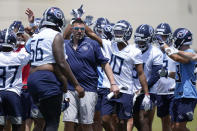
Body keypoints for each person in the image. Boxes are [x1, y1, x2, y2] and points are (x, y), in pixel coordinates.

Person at [27, 7, 84, 131]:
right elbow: (61, 63)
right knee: (53, 122)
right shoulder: (56, 35)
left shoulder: (36, 36)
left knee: (43, 121)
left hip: (32, 80)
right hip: (46, 79)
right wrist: (76, 85)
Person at [62, 18, 119, 131]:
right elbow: (64, 36)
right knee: (68, 121)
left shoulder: (92, 44)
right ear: (72, 29)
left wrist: (113, 83)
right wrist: (73, 19)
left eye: (82, 29)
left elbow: (105, 63)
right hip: (69, 89)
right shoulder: (65, 44)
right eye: (77, 29)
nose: (79, 31)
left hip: (88, 89)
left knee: (86, 124)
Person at [156, 27, 197, 131]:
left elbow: (176, 57)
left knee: (179, 127)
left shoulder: (190, 52)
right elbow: (179, 75)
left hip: (187, 95)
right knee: (173, 127)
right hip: (178, 94)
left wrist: (163, 44)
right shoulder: (181, 54)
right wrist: (167, 73)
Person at [132, 24, 163, 131]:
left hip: (149, 91)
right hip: (132, 89)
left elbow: (156, 74)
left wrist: (143, 89)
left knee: (144, 119)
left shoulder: (156, 52)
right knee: (134, 121)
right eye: (138, 40)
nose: (140, 43)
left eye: (143, 41)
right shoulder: (131, 49)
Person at [0, 29, 30, 131]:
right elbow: (31, 46)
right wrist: (26, 34)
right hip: (13, 94)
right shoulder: (19, 56)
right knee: (17, 126)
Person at [154, 23, 176, 131]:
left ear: (169, 36)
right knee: (164, 122)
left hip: (173, 90)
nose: (161, 39)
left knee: (174, 123)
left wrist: (166, 73)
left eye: (163, 36)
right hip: (160, 91)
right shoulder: (154, 51)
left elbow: (179, 73)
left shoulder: (175, 51)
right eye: (159, 37)